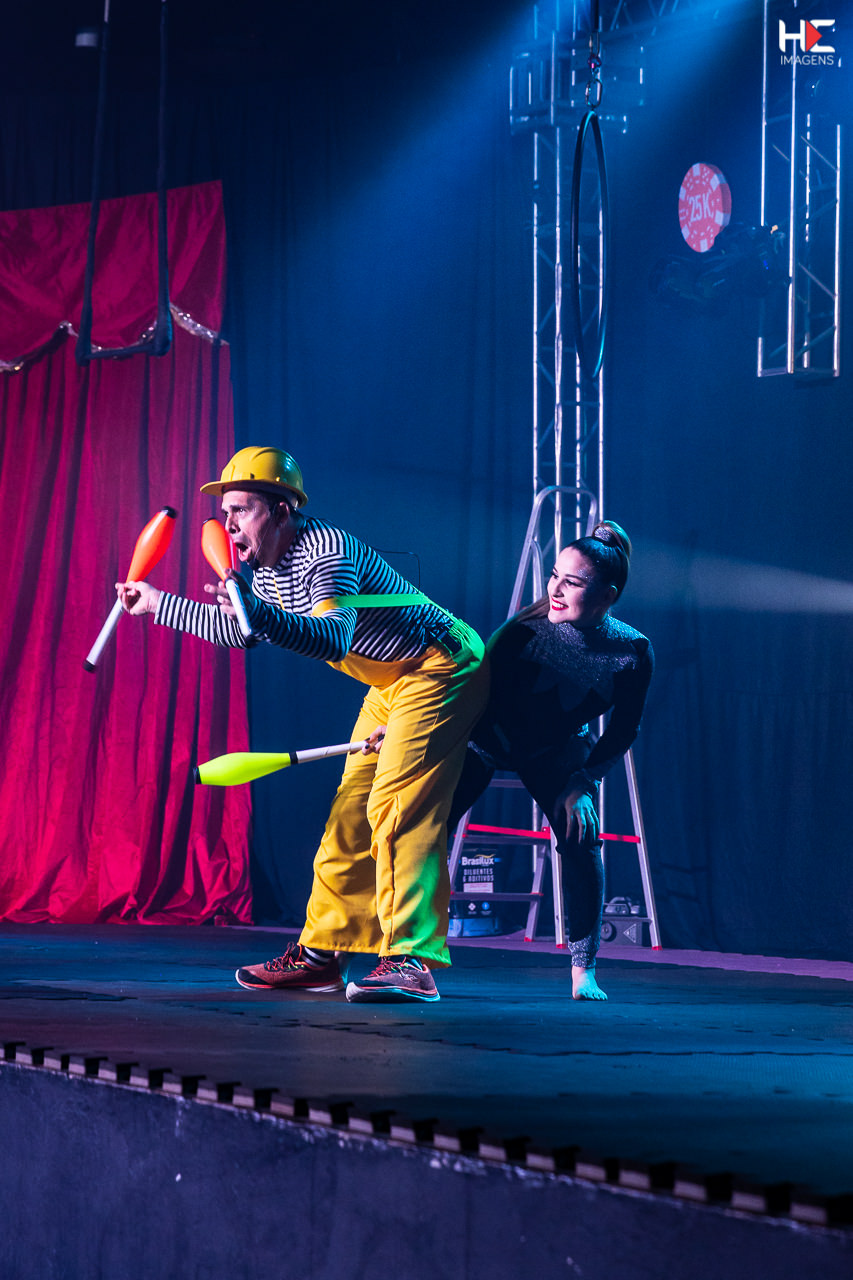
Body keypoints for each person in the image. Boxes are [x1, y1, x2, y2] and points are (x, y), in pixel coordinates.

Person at [117, 446, 488, 1003]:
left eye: (242, 510)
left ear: (282, 510)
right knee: (349, 815)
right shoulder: (264, 571)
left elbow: (331, 638)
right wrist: (155, 603)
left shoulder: (325, 553)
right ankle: (321, 956)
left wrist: (259, 612)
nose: (229, 524)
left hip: (441, 665)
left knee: (397, 809)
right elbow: (243, 631)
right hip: (390, 681)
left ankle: (411, 961)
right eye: (225, 512)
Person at [447, 521, 653, 1002]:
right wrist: (409, 730)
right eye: (554, 575)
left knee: (582, 836)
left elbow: (624, 730)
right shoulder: (524, 630)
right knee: (425, 825)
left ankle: (584, 970)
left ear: (606, 596)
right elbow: (466, 689)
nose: (555, 590)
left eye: (572, 582)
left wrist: (584, 782)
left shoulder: (632, 651)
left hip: (555, 750)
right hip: (486, 738)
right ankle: (405, 950)